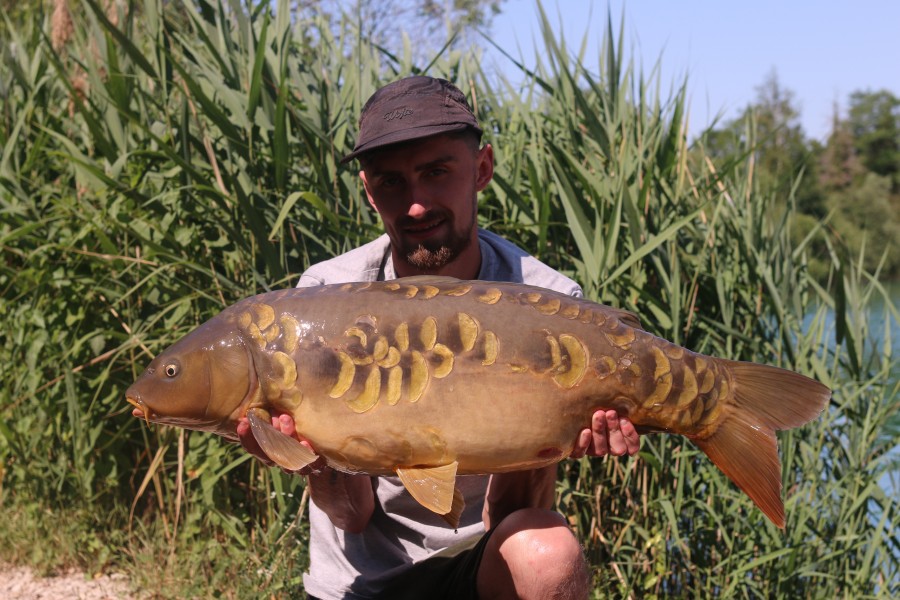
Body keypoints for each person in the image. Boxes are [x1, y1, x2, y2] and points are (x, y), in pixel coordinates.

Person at [237, 76, 641, 600]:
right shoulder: (324, 299)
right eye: (391, 183)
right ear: (367, 189)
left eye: (436, 173)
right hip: (361, 585)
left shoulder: (547, 301)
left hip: (484, 564)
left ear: (482, 169)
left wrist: (562, 432)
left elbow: (512, 512)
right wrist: (313, 457)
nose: (416, 205)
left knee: (550, 556)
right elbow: (351, 516)